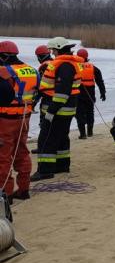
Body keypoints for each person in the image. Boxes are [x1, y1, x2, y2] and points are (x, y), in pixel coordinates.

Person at [31, 37, 83, 181]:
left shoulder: (64, 65)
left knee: (46, 139)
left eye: (53, 50)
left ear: (58, 48)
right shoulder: (69, 63)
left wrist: (51, 112)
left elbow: (62, 93)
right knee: (61, 137)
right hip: (66, 109)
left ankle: (45, 170)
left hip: (58, 110)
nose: (52, 53)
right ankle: (62, 165)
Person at [0, 41, 38, 202]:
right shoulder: (32, 70)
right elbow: (37, 93)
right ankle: (23, 189)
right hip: (24, 118)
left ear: (3, 56)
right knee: (22, 152)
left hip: (5, 119)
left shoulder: (3, 72)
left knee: (3, 156)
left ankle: (6, 193)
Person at [75, 48, 106, 139]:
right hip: (90, 94)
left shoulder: (74, 67)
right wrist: (103, 93)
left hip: (78, 95)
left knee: (79, 114)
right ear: (87, 57)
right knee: (90, 113)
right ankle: (90, 132)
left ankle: (82, 134)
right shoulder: (93, 68)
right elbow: (100, 82)